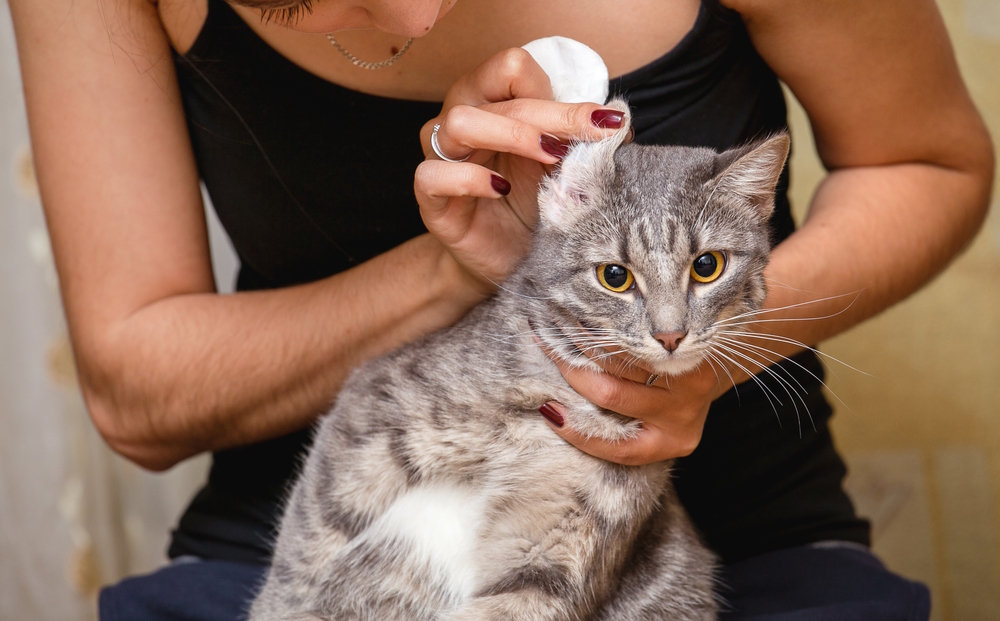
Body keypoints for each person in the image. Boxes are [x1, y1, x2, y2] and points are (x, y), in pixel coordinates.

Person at [9, 0, 993, 618]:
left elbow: (927, 160)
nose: (413, 12)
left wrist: (701, 363)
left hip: (733, 544)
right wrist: (465, 270)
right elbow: (136, 394)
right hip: (328, 548)